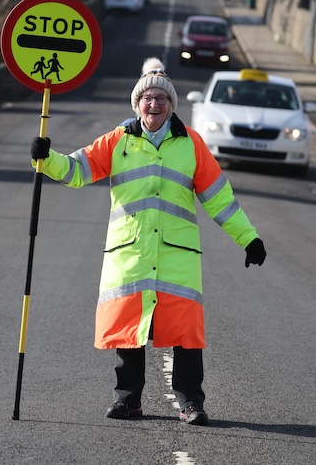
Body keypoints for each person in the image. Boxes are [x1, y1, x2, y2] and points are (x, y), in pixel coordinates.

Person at [30, 57, 266, 426]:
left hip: (177, 256)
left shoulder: (192, 144)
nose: (153, 104)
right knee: (130, 329)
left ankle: (191, 403)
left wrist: (249, 238)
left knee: (186, 334)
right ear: (137, 103)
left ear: (171, 104)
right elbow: (77, 171)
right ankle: (127, 400)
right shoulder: (117, 140)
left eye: (161, 98)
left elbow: (220, 198)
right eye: (147, 98)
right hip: (131, 253)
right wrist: (46, 159)